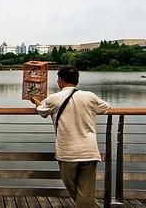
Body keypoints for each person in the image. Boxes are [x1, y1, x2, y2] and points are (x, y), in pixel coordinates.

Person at [30, 66, 110, 208]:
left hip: (68, 152)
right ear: (77, 81)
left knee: (71, 185)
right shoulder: (90, 96)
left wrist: (36, 101)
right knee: (86, 189)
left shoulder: (54, 99)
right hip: (89, 151)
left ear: (60, 80)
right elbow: (105, 107)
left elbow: (42, 111)